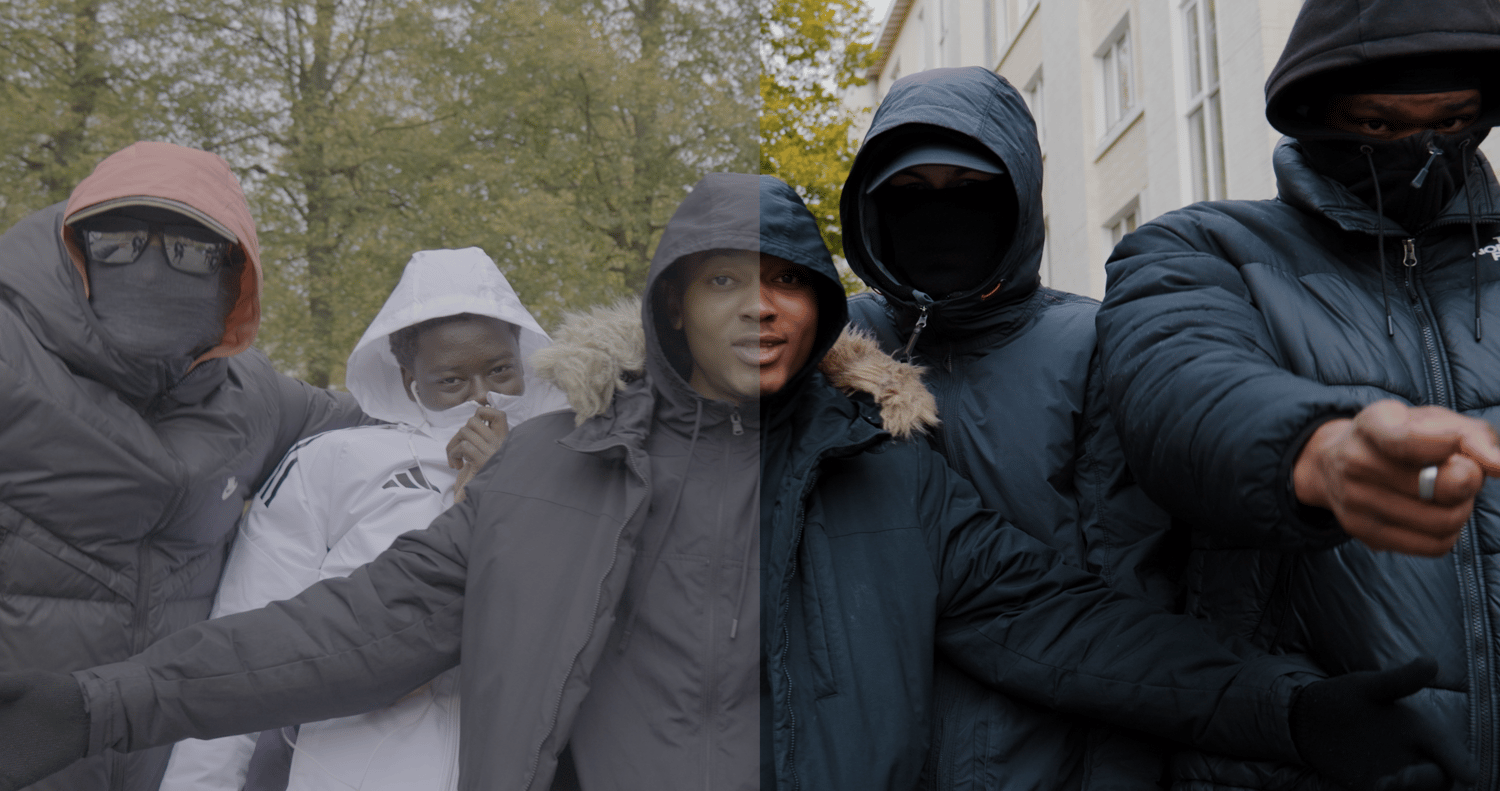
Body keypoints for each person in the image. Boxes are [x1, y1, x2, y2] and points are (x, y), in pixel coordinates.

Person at [0, 175, 1474, 791]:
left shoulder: (897, 483)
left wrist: (1288, 705)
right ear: (666, 306)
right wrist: (106, 699)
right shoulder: (545, 476)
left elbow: (1072, 629)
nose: (758, 306)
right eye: (720, 280)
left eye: (786, 280)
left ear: (823, 310)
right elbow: (341, 627)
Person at [1093, 1, 1500, 788]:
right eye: (1378, 126)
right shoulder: (1201, 246)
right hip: (1304, 760)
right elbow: (1178, 385)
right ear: (1319, 115)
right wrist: (1320, 453)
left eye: (1451, 122)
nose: (1422, 153)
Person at [841, 66, 1176, 788]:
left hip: (1040, 755)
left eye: (968, 191)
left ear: (1017, 196)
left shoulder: (1092, 345)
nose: (939, 217)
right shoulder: (834, 343)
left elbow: (1128, 597)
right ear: (873, 207)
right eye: (909, 192)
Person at [0, 141, 369, 791]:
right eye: (117, 242)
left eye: (189, 251)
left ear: (233, 271)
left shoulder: (253, 399)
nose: (148, 270)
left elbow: (389, 420)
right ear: (75, 248)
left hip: (170, 758)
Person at [156, 247, 564, 791]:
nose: (481, 397)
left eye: (500, 371)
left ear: (524, 356)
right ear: (410, 380)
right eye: (450, 380)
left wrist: (504, 489)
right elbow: (246, 642)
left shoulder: (566, 470)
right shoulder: (333, 462)